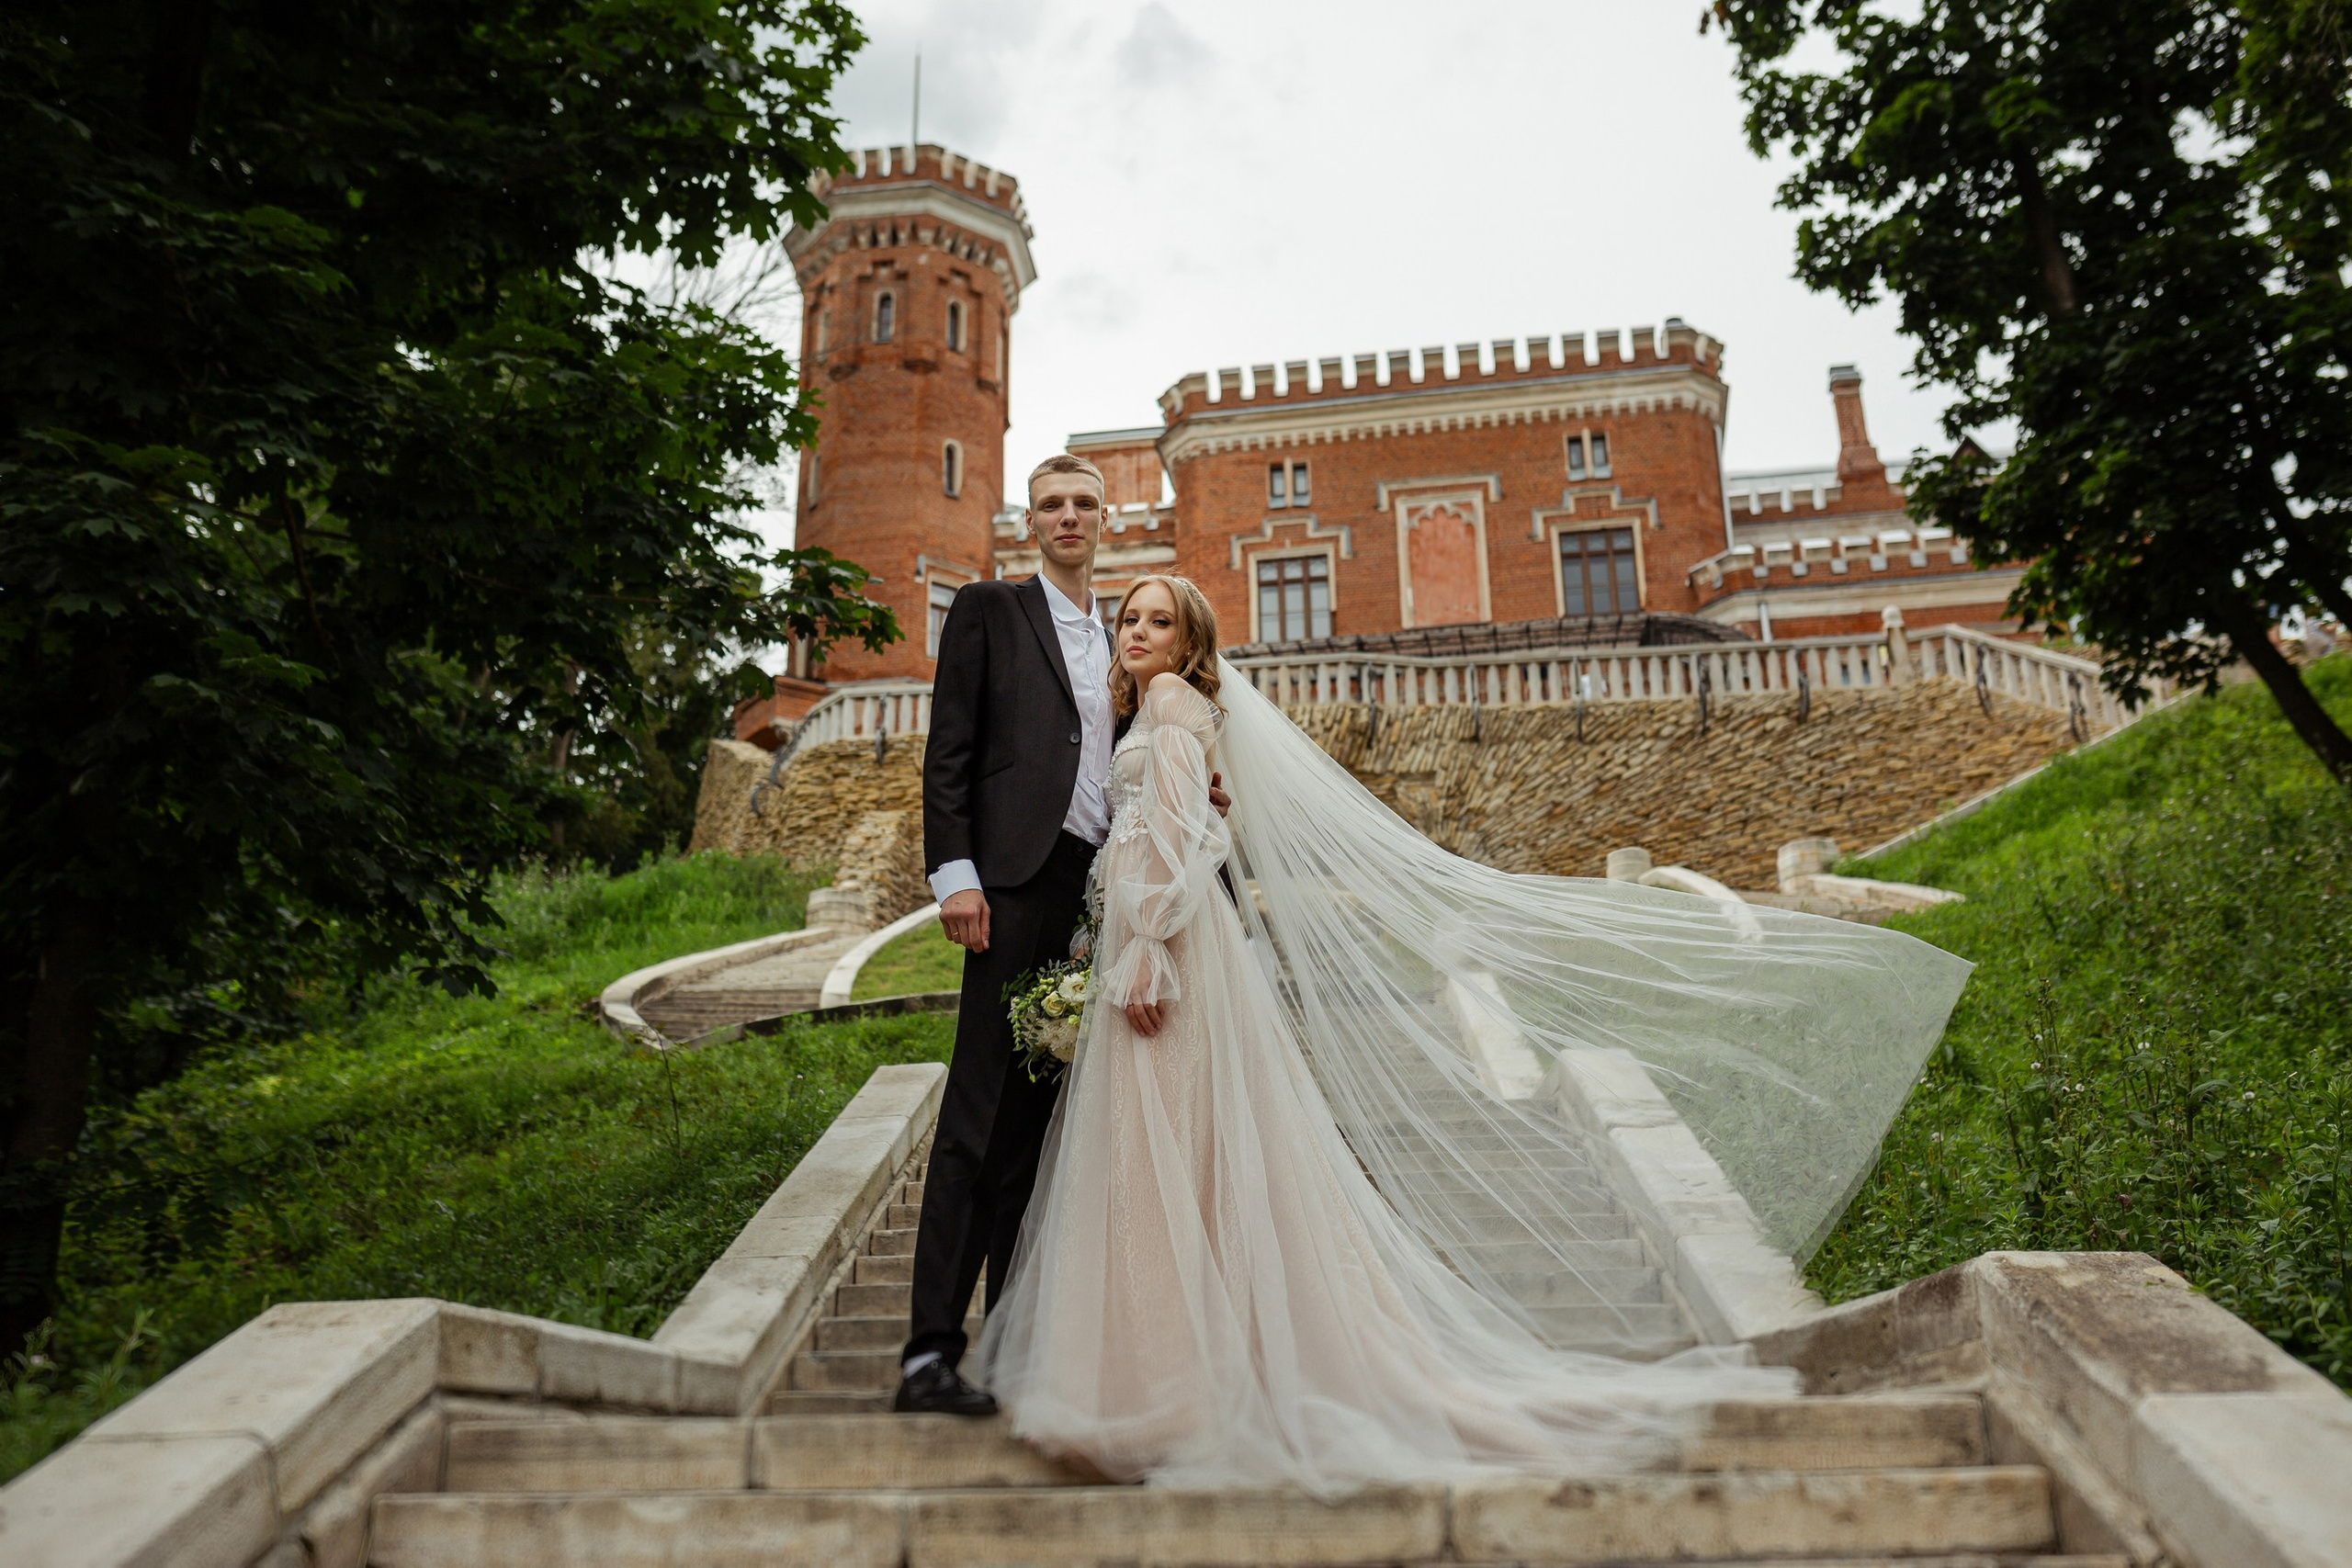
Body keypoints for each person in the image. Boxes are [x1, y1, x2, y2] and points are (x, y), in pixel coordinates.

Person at [968, 573, 1974, 1492]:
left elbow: (1180, 841)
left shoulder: (1179, 710)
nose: (1137, 634)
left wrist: (1140, 948)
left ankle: (1171, 1387)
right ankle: (1172, 1372)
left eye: (1159, 623)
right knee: (1171, 1156)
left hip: (1170, 955)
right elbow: (1186, 825)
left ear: (1189, 643)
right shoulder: (1158, 714)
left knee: (1167, 1151)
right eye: (1129, 620)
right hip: (1162, 945)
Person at [899, 459, 1227, 1416]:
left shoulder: (1128, 643)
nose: (1070, 517)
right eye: (1052, 504)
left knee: (1043, 1131)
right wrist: (955, 875)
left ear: (1107, 519)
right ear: (1030, 522)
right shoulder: (991, 612)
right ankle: (928, 1351)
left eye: (1085, 503)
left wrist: (1199, 789)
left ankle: (1017, 1339)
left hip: (1094, 898)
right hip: (1006, 886)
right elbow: (949, 747)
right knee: (976, 1112)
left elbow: (1153, 757)